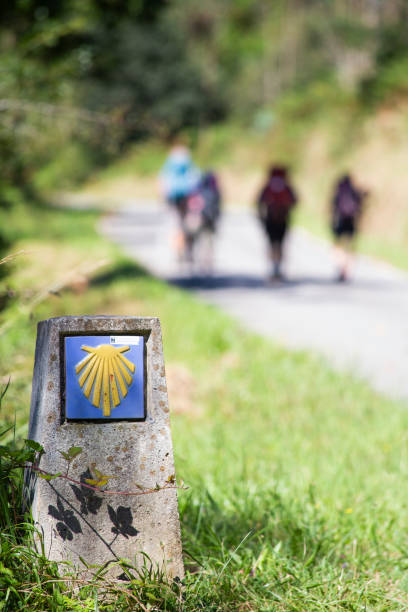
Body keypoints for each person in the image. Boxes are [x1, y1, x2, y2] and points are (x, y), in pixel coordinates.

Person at [159, 143, 201, 261]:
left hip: (173, 198)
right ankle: (188, 249)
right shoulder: (188, 162)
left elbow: (163, 180)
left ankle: (178, 250)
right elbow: (196, 178)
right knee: (187, 223)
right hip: (188, 198)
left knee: (175, 224)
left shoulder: (170, 163)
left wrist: (163, 197)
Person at [256, 165, 297, 280]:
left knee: (271, 244)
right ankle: (278, 268)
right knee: (280, 244)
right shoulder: (286, 186)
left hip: (270, 219)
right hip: (283, 219)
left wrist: (261, 217)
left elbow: (259, 201)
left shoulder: (269, 186)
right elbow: (295, 201)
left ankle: (273, 268)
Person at [331, 174, 365, 282]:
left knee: (338, 245)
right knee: (349, 246)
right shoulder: (354, 192)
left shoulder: (339, 192)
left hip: (340, 221)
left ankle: (340, 266)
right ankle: (347, 269)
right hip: (351, 222)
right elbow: (360, 208)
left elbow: (333, 207)